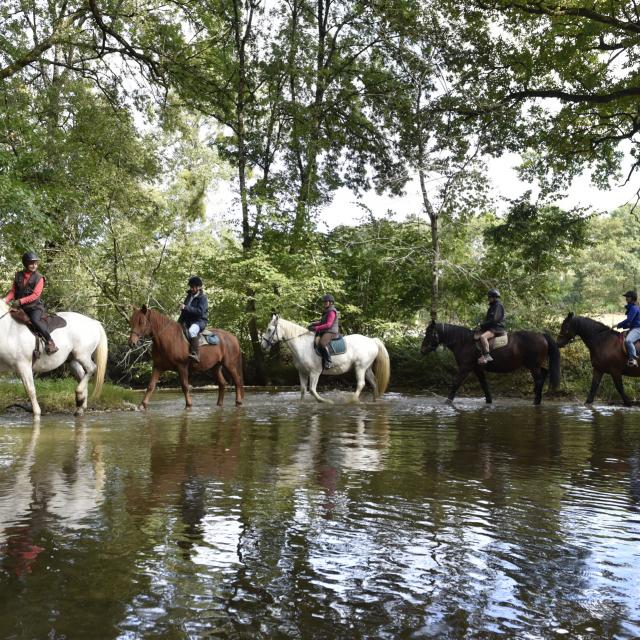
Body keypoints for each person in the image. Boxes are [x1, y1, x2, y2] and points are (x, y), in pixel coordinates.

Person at [3, 251, 59, 355]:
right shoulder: (18, 275)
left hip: (34, 307)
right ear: (25, 263)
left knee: (35, 320)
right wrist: (5, 300)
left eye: (36, 263)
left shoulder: (39, 278)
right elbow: (13, 291)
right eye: (31, 263)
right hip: (21, 307)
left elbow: (35, 295)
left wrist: (20, 301)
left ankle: (50, 341)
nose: (34, 266)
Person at [178, 276, 208, 363]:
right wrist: (178, 323)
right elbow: (184, 312)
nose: (191, 288)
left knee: (192, 331)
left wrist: (186, 307)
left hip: (199, 321)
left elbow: (200, 312)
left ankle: (196, 354)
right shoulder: (189, 297)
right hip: (188, 321)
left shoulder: (203, 298)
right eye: (190, 287)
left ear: (198, 287)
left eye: (193, 287)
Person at [308, 294, 340, 369]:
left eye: (326, 302)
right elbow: (323, 323)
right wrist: (313, 325)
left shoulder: (332, 311)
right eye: (324, 302)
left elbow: (328, 325)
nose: (324, 303)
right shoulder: (327, 311)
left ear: (331, 303)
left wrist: (316, 328)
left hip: (331, 331)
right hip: (326, 330)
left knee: (322, 343)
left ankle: (329, 362)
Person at [476, 288, 505, 365]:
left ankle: (487, 355)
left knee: (483, 337)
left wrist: (482, 325)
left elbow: (494, 320)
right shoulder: (492, 306)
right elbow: (489, 320)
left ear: (494, 297)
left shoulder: (498, 306)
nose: (488, 299)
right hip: (492, 327)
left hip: (496, 328)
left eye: (489, 297)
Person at [616, 290, 640, 367]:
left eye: (628, 297)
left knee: (628, 341)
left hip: (638, 329)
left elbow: (629, 320)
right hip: (633, 328)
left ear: (632, 298)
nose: (626, 298)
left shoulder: (634, 308)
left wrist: (618, 325)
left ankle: (633, 359)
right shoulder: (631, 308)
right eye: (626, 297)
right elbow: (630, 323)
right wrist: (621, 327)